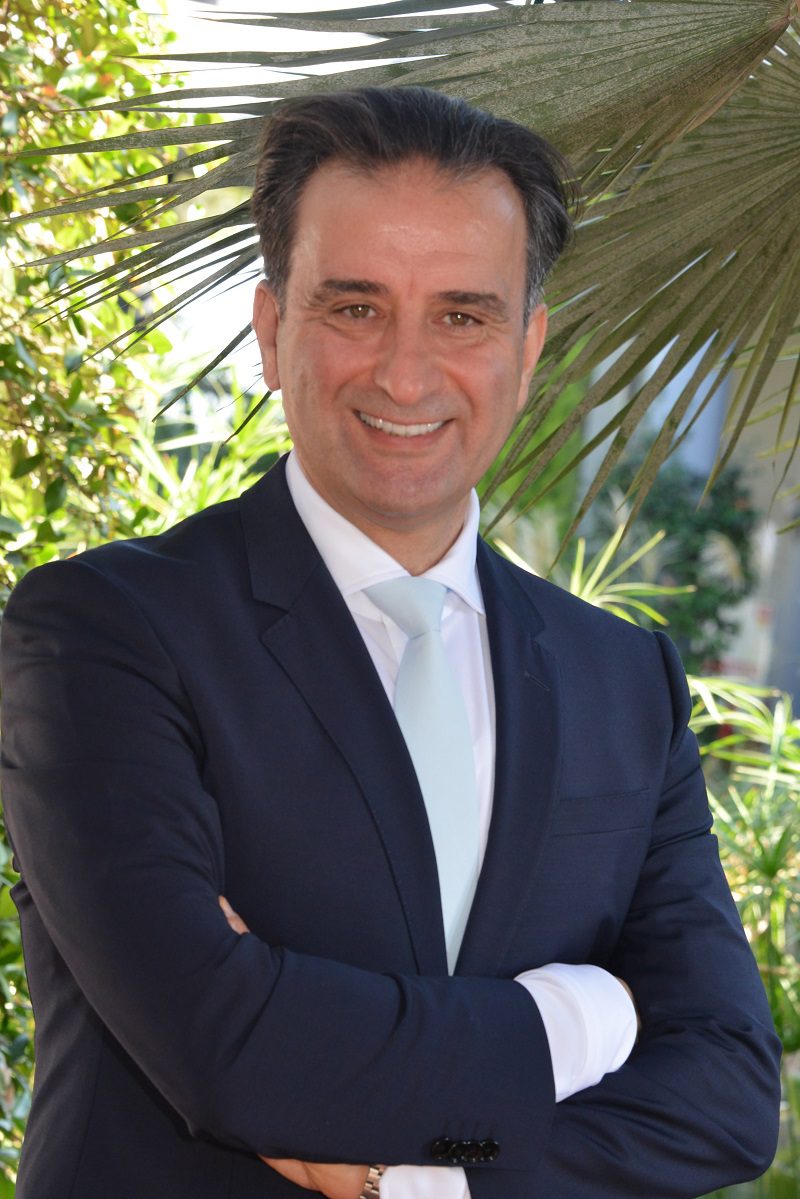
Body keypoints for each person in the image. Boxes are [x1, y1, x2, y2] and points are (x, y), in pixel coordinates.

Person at [0, 86, 781, 1199]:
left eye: (462, 316)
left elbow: (726, 1094)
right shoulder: (102, 634)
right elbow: (228, 1047)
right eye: (355, 307)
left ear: (526, 346)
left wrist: (424, 1182)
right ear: (273, 332)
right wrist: (575, 1014)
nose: (405, 374)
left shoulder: (621, 680)